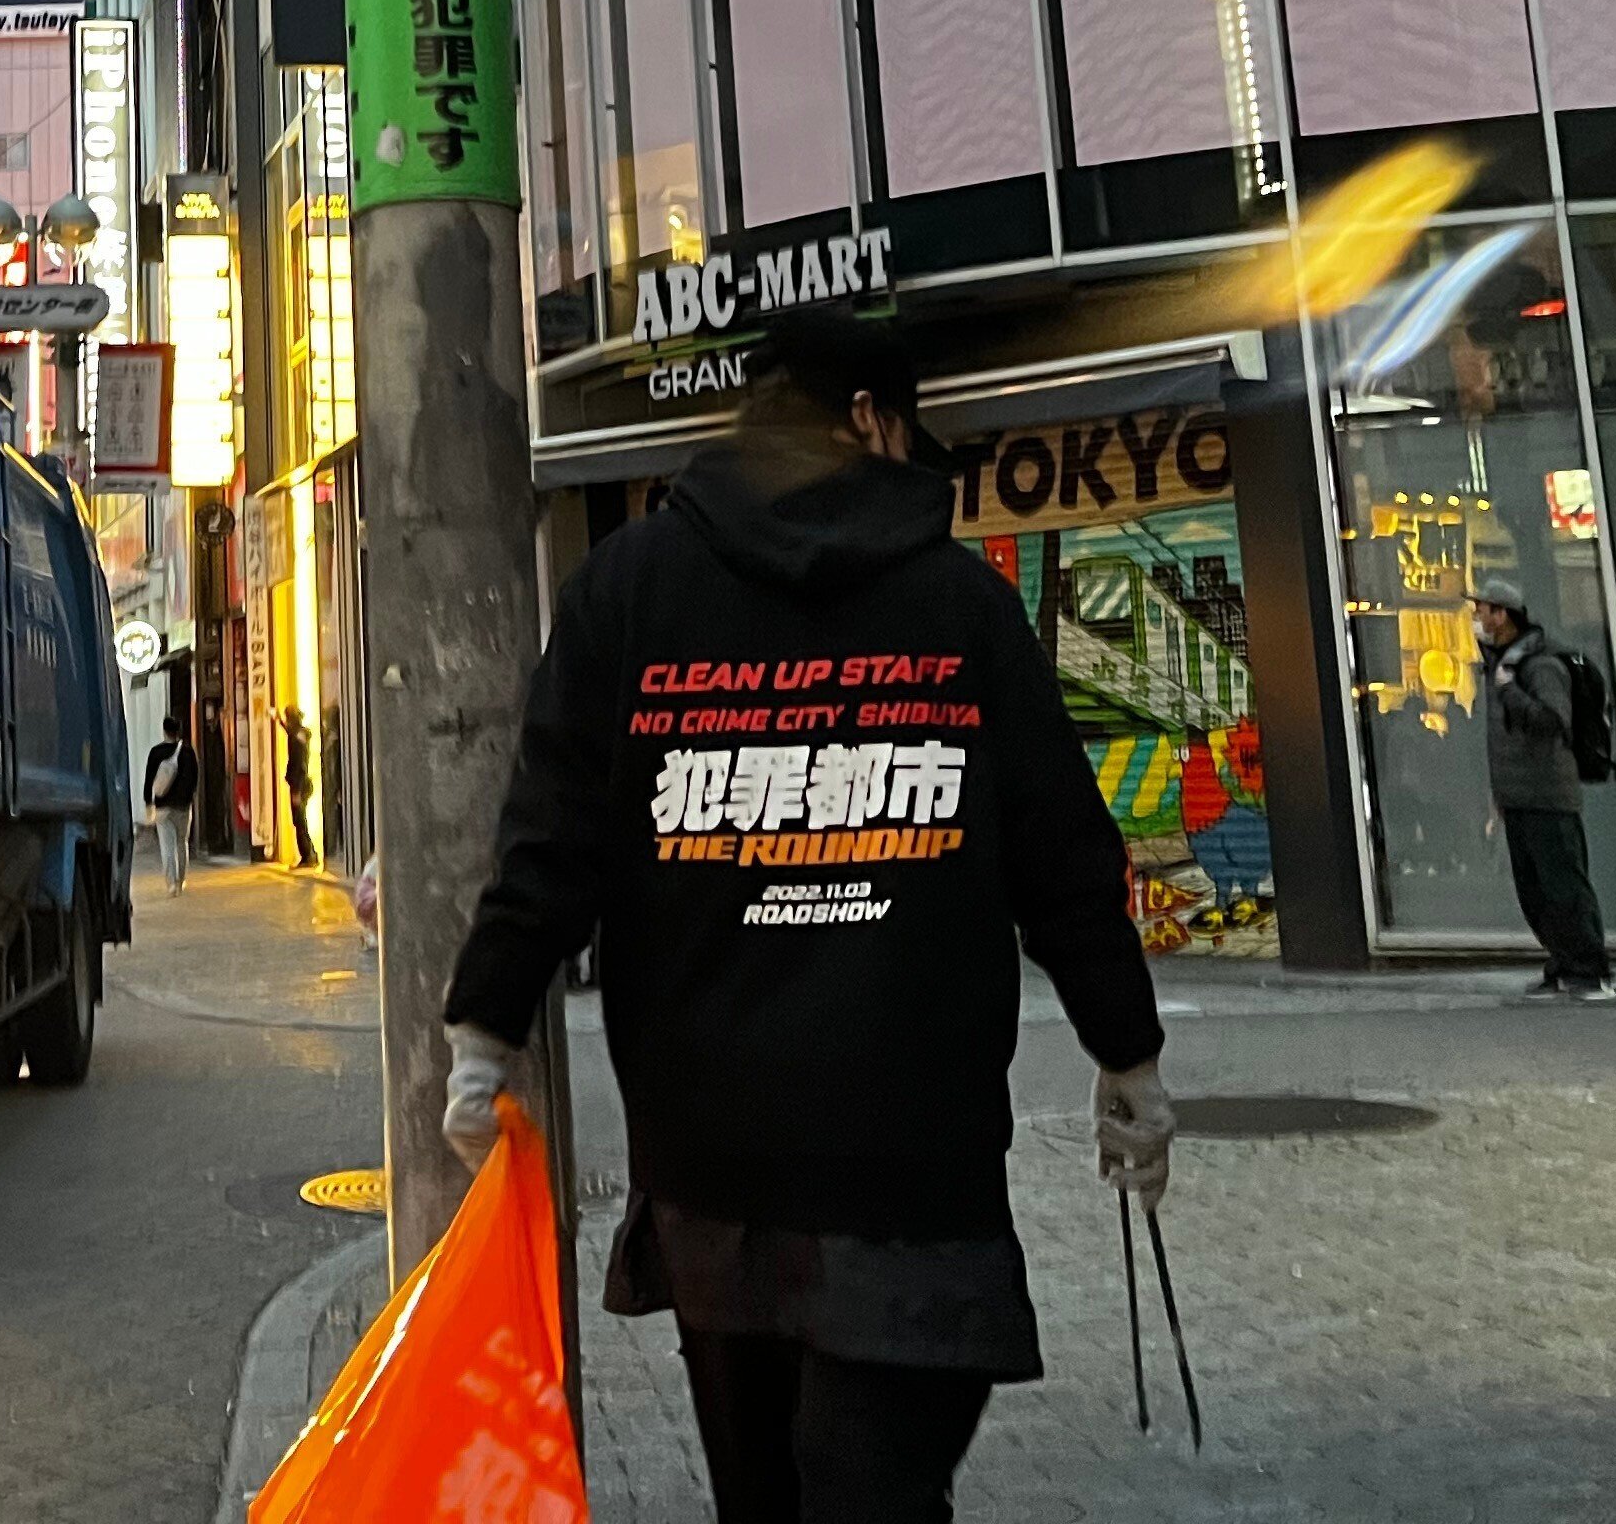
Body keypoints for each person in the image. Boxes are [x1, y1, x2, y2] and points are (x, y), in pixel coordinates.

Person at [441, 311, 1173, 1523]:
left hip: (713, 1173)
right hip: (915, 1173)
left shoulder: (628, 591)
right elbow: (1063, 856)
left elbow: (551, 838)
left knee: (765, 1500)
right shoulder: (962, 606)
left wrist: (484, 1029)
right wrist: (1126, 1054)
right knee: (877, 1491)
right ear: (873, 423)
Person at [1471, 581, 1616, 1002]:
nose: (1476, 619)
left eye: (1481, 610)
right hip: (1519, 795)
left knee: (1563, 886)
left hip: (1548, 796)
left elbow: (1553, 723)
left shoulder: (1539, 665)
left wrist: (1509, 690)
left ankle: (1590, 970)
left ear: (1502, 615)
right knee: (1535, 892)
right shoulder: (1506, 663)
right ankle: (1563, 964)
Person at [141, 704, 199, 894]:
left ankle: (171, 884)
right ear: (178, 731)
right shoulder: (188, 752)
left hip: (163, 806)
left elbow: (149, 779)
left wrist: (148, 802)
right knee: (182, 843)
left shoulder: (156, 752)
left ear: (164, 730)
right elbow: (194, 778)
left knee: (167, 846)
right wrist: (189, 797)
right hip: (183, 806)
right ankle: (181, 881)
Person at [278, 707, 317, 871]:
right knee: (300, 821)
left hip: (299, 784)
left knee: (300, 821)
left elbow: (299, 765)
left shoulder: (296, 739)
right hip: (300, 783)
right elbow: (289, 732)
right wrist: (278, 720)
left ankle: (308, 855)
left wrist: (297, 790)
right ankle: (309, 854)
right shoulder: (298, 735)